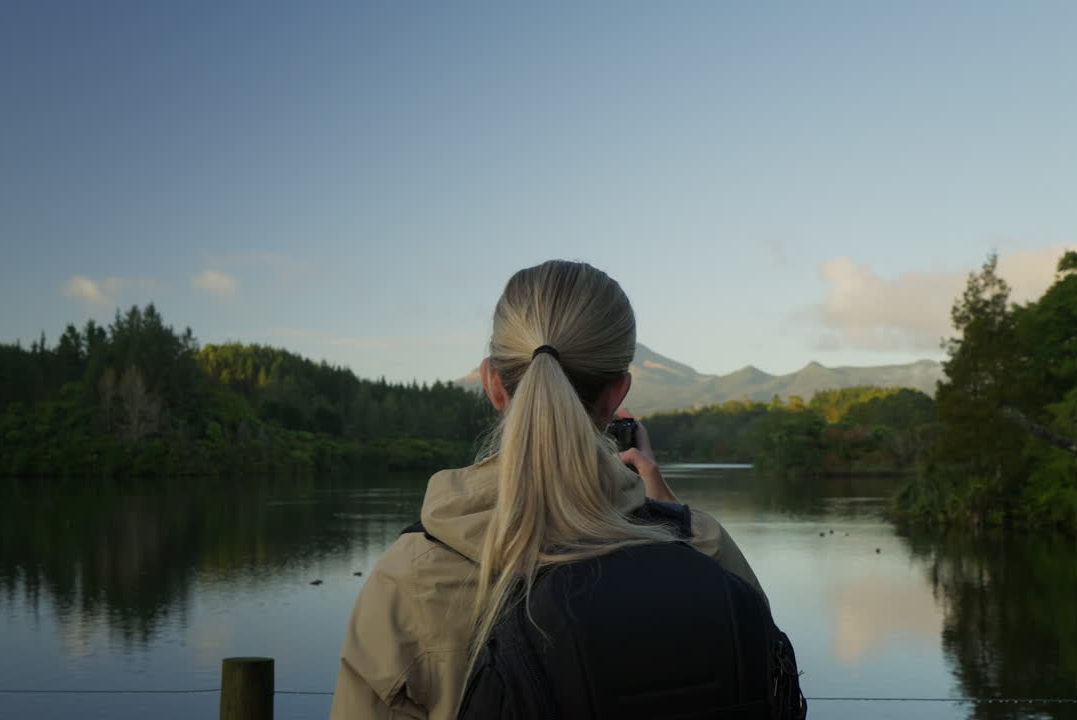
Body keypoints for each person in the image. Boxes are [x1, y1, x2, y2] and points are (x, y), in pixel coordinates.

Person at [331, 260, 774, 719]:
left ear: (492, 384)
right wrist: (668, 514)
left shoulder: (412, 577)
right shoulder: (706, 548)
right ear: (617, 393)